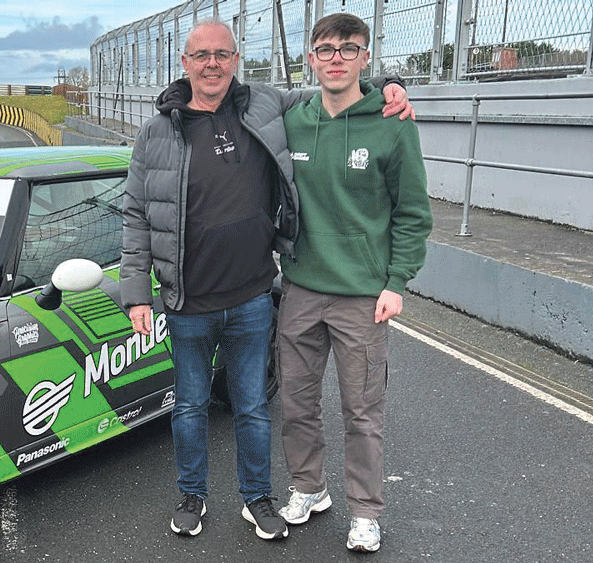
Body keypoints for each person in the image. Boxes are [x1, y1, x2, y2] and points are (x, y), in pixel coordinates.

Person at [119, 18, 413, 540]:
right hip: (187, 300)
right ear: (184, 64)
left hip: (255, 295)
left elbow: (336, 84)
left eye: (223, 55)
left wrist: (391, 86)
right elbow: (137, 214)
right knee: (188, 405)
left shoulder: (264, 104)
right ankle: (193, 494)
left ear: (237, 61)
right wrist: (136, 292)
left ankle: (257, 496)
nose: (213, 64)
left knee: (254, 408)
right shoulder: (157, 130)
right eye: (201, 55)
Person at [275, 13, 433, 552]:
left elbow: (413, 212)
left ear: (366, 57)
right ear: (311, 59)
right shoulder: (292, 118)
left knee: (362, 410)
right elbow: (227, 92)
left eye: (348, 48)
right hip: (300, 289)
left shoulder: (393, 123)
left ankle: (365, 510)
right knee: (296, 402)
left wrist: (396, 282)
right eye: (325, 48)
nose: (336, 57)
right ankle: (307, 488)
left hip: (365, 296)